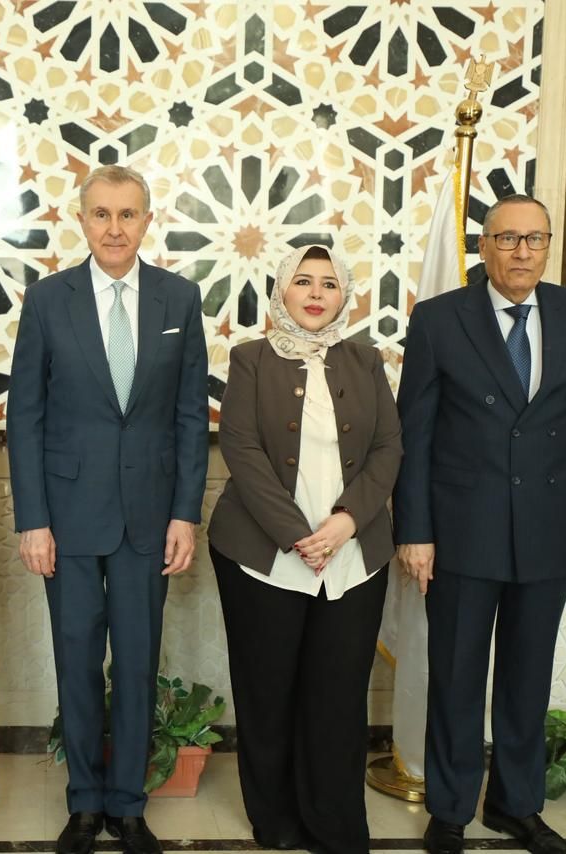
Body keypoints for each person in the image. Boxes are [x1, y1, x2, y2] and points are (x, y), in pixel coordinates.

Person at [393, 194, 566, 854]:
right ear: (484, 246)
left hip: (551, 527)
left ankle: (517, 806)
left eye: (534, 238)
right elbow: (415, 434)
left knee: (527, 677)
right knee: (456, 676)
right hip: (463, 530)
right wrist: (415, 530)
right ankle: (450, 809)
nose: (522, 251)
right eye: (508, 238)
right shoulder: (439, 319)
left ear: (548, 246)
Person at [7, 165, 208, 854]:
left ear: (147, 221)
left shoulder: (179, 298)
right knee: (77, 662)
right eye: (101, 214)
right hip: (65, 518)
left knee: (139, 663)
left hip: (150, 517)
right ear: (82, 219)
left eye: (127, 214)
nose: (114, 228)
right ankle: (85, 804)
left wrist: (185, 514)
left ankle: (128, 805)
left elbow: (190, 416)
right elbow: (25, 416)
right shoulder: (47, 300)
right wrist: (32, 520)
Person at [207, 243, 401, 854]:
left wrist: (346, 522)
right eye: (304, 281)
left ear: (344, 297)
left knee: (338, 695)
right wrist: (296, 534)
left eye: (329, 284)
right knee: (267, 693)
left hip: (353, 556)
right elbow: (241, 449)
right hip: (261, 556)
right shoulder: (250, 359)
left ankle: (335, 823)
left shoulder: (366, 361)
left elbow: (388, 448)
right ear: (282, 291)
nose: (316, 294)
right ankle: (276, 820)